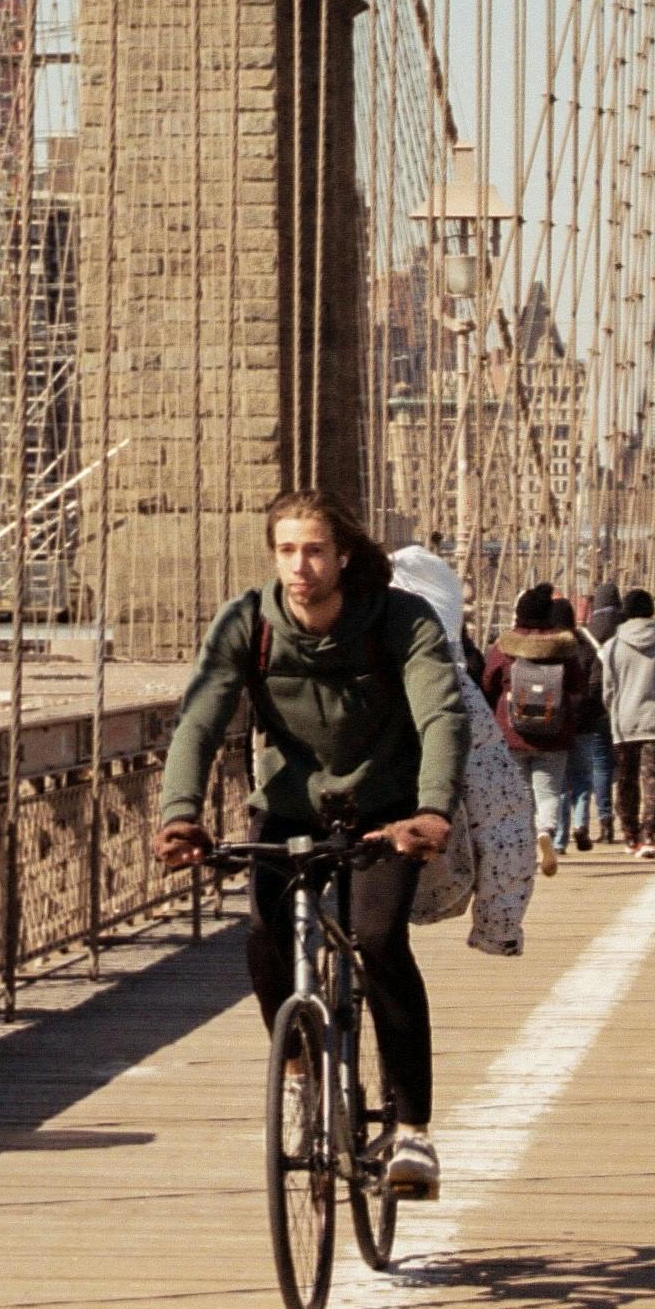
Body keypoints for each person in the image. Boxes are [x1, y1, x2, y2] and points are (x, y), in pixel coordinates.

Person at [154, 488, 469, 1198]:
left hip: (385, 814)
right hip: (289, 809)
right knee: (263, 935)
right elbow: (199, 719)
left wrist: (430, 808)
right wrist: (180, 813)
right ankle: (298, 1076)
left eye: (315, 550)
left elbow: (441, 714)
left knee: (379, 940)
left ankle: (413, 1131)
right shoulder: (247, 622)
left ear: (343, 555)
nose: (300, 566)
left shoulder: (399, 620)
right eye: (287, 551)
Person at [389, 544, 537, 957]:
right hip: (419, 861)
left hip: (389, 854)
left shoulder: (448, 696)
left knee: (378, 939)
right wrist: (499, 926)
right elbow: (502, 818)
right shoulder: (461, 695)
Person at [480, 582, 588, 878]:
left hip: (511, 732)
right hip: (554, 734)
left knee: (520, 792)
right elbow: (579, 685)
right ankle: (546, 833)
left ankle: (525, 846)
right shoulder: (563, 645)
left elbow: (487, 683)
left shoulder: (504, 646)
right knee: (549, 790)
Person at [600, 588, 655, 856]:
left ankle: (630, 836)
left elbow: (608, 690)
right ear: (651, 611)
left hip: (624, 721)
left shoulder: (612, 646)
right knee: (653, 779)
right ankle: (649, 836)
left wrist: (616, 710)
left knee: (625, 779)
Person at [566, 593, 616, 850]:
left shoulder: (554, 644)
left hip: (557, 721)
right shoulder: (590, 642)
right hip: (592, 716)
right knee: (594, 770)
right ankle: (598, 821)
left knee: (559, 779)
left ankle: (557, 835)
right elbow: (598, 681)